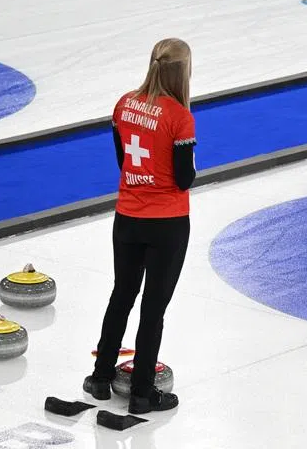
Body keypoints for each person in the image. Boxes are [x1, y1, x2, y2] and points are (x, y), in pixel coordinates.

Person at [83, 38, 196, 414]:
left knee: (122, 295)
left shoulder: (124, 104)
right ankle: (143, 394)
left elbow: (124, 162)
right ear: (182, 72)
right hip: (167, 222)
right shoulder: (180, 117)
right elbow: (183, 179)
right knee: (153, 309)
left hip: (128, 216)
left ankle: (100, 378)